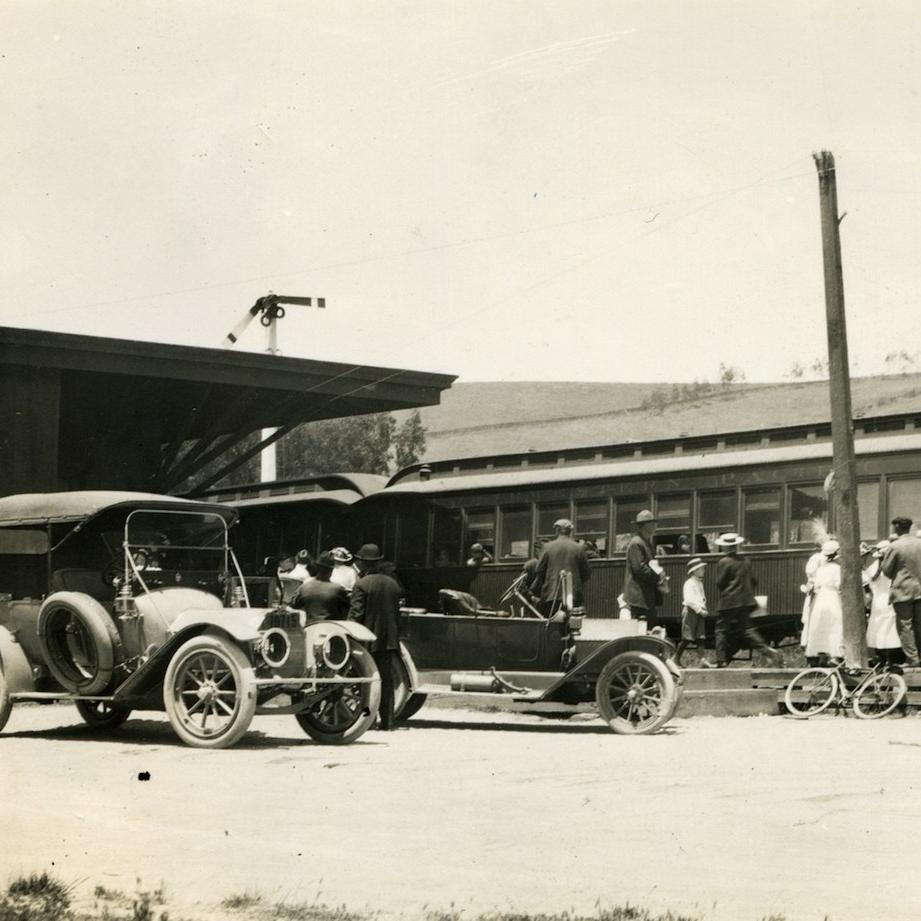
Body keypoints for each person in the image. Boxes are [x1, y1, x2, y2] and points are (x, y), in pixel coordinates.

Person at [348, 543, 402, 730]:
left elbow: (356, 615)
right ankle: (388, 722)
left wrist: (349, 635)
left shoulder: (361, 585)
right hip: (388, 640)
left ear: (363, 563)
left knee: (366, 681)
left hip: (367, 640)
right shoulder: (392, 584)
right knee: (386, 681)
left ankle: (367, 721)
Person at [714, 533, 781, 667]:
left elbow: (720, 583)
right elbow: (754, 581)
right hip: (746, 602)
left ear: (725, 547)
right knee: (747, 629)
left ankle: (721, 660)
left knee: (721, 630)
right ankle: (766, 650)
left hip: (729, 602)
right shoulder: (745, 560)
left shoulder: (723, 562)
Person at [882, 516, 921, 668]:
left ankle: (912, 659)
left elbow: (886, 570)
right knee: (919, 625)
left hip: (902, 591)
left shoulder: (895, 546)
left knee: (905, 625)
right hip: (920, 590)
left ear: (897, 527)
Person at [531, 519, 592, 616]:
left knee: (552, 626)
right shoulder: (579, 548)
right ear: (570, 531)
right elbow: (587, 573)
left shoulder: (547, 547)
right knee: (573, 625)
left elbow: (539, 570)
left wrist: (547, 582)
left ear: (557, 530)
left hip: (551, 595)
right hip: (573, 595)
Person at [804, 539, 845, 663]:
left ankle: (821, 655)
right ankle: (834, 656)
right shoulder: (837, 569)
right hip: (832, 597)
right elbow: (839, 585)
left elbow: (816, 585)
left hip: (821, 598)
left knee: (821, 625)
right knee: (835, 625)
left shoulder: (820, 569)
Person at [621, 510, 664, 627]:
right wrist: (658, 577)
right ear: (645, 525)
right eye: (652, 523)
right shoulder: (636, 543)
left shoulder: (645, 543)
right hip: (639, 598)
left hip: (645, 597)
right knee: (642, 629)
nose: (655, 526)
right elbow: (640, 569)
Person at [864, 539, 902, 665]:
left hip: (878, 601)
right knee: (892, 629)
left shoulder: (873, 567)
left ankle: (881, 657)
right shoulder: (894, 566)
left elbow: (869, 584)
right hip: (891, 600)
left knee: (878, 628)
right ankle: (893, 659)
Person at [290, 551, 350, 620]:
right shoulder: (337, 589)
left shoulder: (304, 587)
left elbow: (294, 605)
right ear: (331, 570)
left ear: (317, 567)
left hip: (310, 627)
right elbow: (347, 608)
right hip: (331, 627)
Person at [675, 557, 712, 667]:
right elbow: (689, 600)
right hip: (691, 611)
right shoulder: (689, 583)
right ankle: (675, 658)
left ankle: (702, 660)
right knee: (687, 637)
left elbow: (701, 597)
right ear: (694, 571)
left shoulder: (699, 583)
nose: (703, 571)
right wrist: (700, 610)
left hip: (699, 612)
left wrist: (703, 607)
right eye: (701, 569)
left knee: (700, 637)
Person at [799, 538, 826, 662]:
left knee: (814, 622)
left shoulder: (815, 558)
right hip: (818, 593)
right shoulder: (818, 558)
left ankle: (814, 655)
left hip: (817, 592)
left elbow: (811, 577)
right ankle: (817, 656)